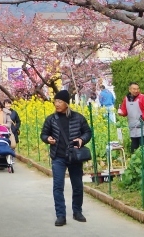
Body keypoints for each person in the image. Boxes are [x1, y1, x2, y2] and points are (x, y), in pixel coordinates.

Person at [41, 90, 92, 227]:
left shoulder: (78, 118)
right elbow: (44, 134)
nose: (56, 104)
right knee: (58, 186)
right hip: (58, 157)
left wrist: (82, 139)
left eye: (59, 102)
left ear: (66, 104)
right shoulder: (51, 119)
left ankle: (77, 211)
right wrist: (48, 139)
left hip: (74, 156)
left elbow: (88, 132)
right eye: (55, 102)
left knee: (77, 185)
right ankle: (61, 215)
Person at [117, 82, 144, 152]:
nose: (136, 91)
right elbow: (124, 111)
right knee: (134, 149)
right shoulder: (126, 99)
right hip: (132, 128)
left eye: (138, 89)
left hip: (143, 128)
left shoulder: (143, 98)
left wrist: (143, 118)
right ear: (130, 90)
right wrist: (121, 113)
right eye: (134, 89)